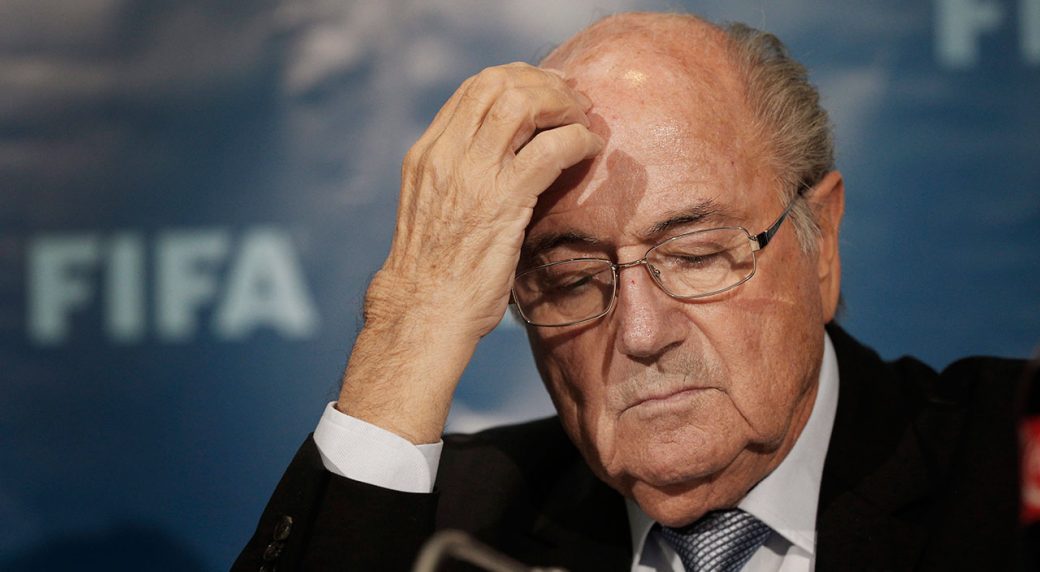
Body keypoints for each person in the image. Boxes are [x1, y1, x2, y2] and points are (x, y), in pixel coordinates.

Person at [233, 12, 1029, 572]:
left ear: (819, 242)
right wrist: (410, 323)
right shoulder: (448, 528)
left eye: (697, 256)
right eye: (573, 280)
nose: (642, 333)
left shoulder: (1004, 469)